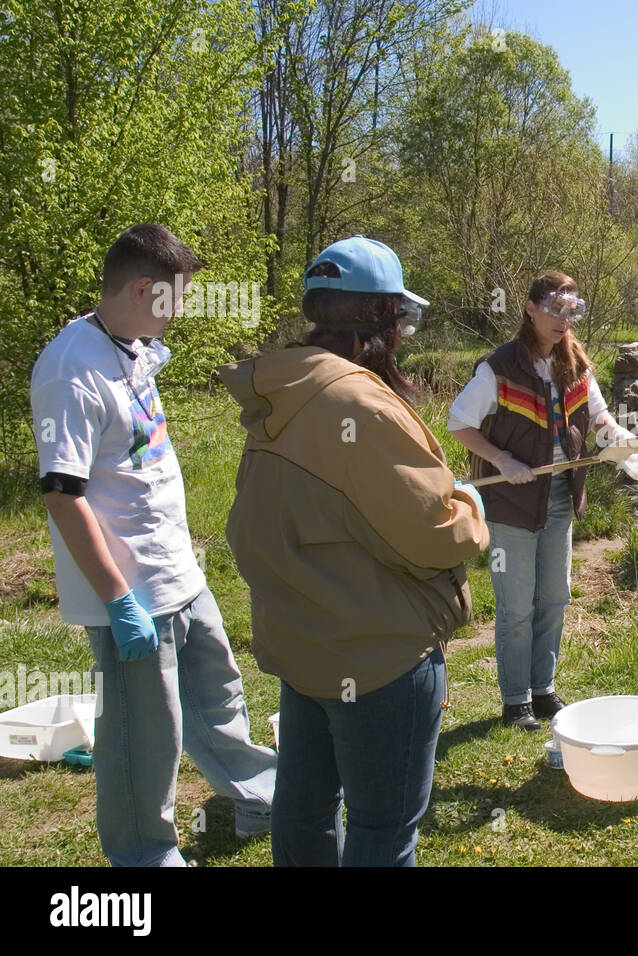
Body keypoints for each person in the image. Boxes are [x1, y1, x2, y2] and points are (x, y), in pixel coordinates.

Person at [219, 235, 488, 866]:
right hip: (378, 662)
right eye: (402, 320)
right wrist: (470, 506)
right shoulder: (358, 404)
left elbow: (284, 524)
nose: (404, 335)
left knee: (304, 811)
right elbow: (430, 537)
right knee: (383, 829)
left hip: (306, 648)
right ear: (380, 321)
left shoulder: (284, 389)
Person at [30, 223, 277, 867]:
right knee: (144, 736)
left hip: (178, 571)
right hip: (130, 588)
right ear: (143, 289)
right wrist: (117, 601)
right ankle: (143, 856)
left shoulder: (131, 344)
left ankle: (259, 794)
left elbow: (135, 416)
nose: (180, 315)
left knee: (217, 695)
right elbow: (62, 493)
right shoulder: (68, 371)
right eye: (174, 300)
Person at [449, 271, 633, 731]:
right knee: (516, 606)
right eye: (554, 308)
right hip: (511, 502)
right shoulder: (499, 366)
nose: (563, 319)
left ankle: (543, 689)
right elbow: (459, 422)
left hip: (558, 496)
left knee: (554, 597)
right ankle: (516, 702)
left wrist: (616, 435)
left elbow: (598, 415)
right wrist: (501, 459)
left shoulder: (576, 364)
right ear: (530, 309)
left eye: (572, 310)